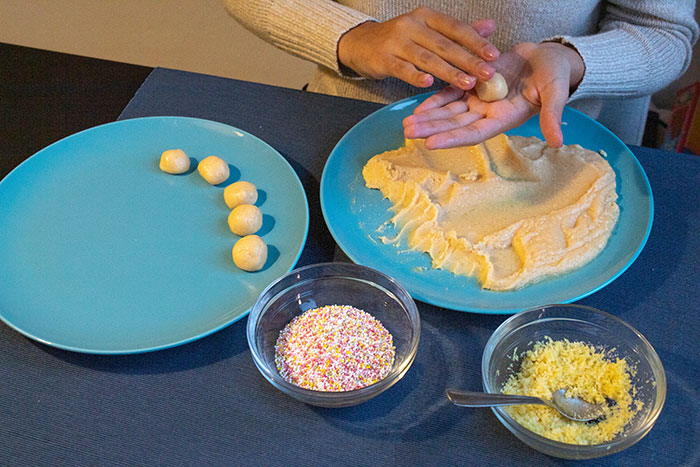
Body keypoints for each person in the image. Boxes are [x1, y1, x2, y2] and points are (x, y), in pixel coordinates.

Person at [223, 1, 698, 147]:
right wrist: (353, 36)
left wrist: (571, 61)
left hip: (563, 142)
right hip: (350, 123)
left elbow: (660, 29)